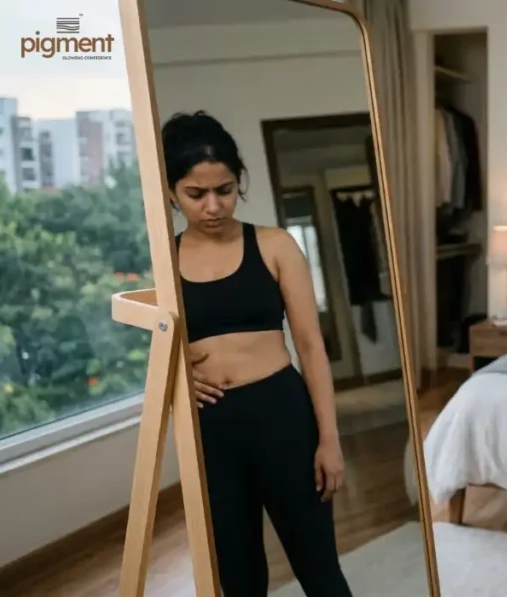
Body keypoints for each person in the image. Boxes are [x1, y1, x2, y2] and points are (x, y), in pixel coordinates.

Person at [163, 110, 353, 597]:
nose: (213, 206)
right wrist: (177, 372)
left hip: (281, 416)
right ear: (171, 192)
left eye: (224, 190)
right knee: (239, 579)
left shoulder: (274, 245)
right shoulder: (163, 260)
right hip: (210, 428)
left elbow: (311, 347)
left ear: (239, 181)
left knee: (320, 571)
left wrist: (329, 441)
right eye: (196, 194)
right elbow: (158, 346)